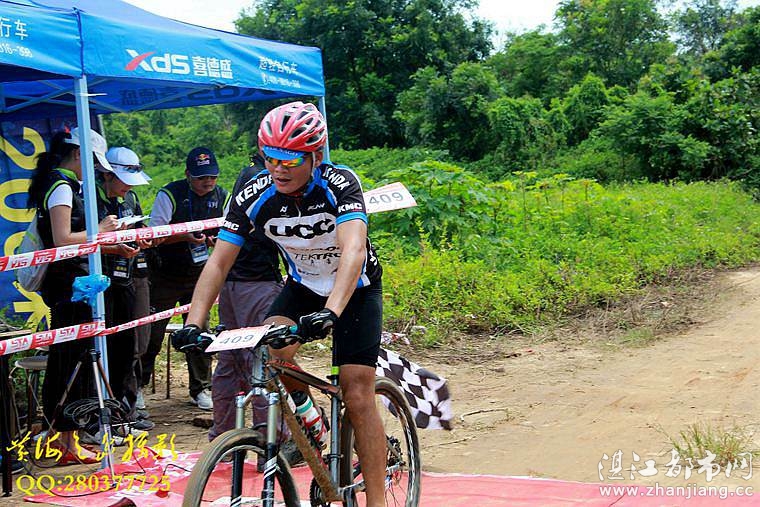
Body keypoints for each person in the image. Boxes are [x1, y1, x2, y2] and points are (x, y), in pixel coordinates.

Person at [172, 102, 386, 506]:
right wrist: (194, 322)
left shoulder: (340, 183)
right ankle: (311, 416)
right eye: (271, 158)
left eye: (290, 160)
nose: (278, 169)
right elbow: (219, 262)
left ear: (315, 156)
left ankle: (376, 500)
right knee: (272, 353)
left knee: (357, 394)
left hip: (354, 287)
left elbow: (353, 249)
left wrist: (332, 312)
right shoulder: (254, 194)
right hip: (304, 286)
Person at [29, 127, 119, 464]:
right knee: (68, 361)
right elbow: (63, 239)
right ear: (78, 154)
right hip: (68, 285)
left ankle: (67, 437)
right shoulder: (62, 187)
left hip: (75, 283)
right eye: (92, 161)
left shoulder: (63, 184)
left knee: (72, 359)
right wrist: (101, 232)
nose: (93, 169)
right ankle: (63, 439)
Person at [142, 147, 230, 410]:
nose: (208, 182)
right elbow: (154, 236)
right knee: (151, 334)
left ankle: (201, 388)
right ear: (187, 174)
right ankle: (137, 387)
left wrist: (215, 240)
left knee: (199, 330)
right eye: (202, 177)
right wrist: (183, 236)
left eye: (212, 176)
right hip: (165, 274)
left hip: (200, 274)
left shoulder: (222, 196)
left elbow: (230, 232)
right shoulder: (170, 194)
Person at [208, 154, 284, 441]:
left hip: (232, 278)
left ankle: (223, 435)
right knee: (261, 363)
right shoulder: (264, 178)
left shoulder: (246, 174)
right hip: (256, 278)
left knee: (230, 359)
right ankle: (269, 440)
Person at [95, 147, 154, 432]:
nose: (129, 187)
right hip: (99, 283)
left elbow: (140, 227)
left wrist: (142, 239)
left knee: (130, 347)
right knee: (104, 351)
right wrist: (112, 245)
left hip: (128, 278)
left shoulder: (130, 198)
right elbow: (78, 243)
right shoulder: (89, 200)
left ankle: (125, 411)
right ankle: (105, 415)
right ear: (107, 175)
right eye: (124, 181)